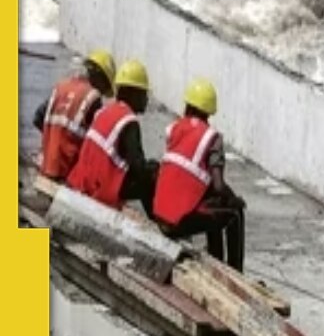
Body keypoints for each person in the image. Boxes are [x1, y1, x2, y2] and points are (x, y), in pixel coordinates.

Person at [153, 79, 246, 271]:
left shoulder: (175, 129)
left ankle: (216, 258)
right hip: (178, 222)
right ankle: (235, 271)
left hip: (160, 216)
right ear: (209, 113)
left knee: (212, 205)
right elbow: (219, 187)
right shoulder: (212, 138)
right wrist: (234, 200)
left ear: (187, 105)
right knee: (234, 214)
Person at [66, 59, 159, 215]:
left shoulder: (105, 111)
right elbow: (139, 168)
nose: (146, 99)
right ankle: (158, 223)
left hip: (82, 182)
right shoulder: (129, 121)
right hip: (101, 189)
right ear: (132, 94)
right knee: (151, 175)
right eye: (143, 93)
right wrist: (155, 169)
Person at [35, 49, 115, 180]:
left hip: (46, 164)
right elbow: (95, 143)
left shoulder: (61, 87)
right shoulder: (93, 98)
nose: (102, 92)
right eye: (105, 86)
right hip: (68, 171)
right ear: (100, 77)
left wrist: (53, 142)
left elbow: (38, 118)